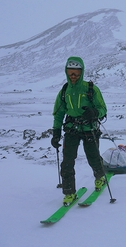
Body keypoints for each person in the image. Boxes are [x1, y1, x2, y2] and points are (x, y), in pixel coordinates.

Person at [51, 56, 108, 206]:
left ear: (81, 71)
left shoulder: (91, 89)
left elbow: (103, 109)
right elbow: (58, 114)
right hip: (71, 130)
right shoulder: (64, 91)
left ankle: (100, 177)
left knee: (93, 158)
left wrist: (94, 113)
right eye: (70, 71)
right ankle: (69, 192)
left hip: (89, 128)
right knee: (67, 162)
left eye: (76, 71)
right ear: (66, 71)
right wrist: (56, 132)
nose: (73, 74)